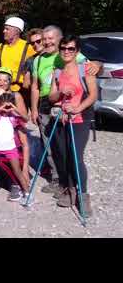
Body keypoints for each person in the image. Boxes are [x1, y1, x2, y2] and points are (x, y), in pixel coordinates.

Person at [31, 25, 100, 195]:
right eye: (43, 39)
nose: (46, 42)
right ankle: (63, 184)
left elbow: (92, 69)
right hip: (49, 106)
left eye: (50, 39)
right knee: (54, 149)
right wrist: (34, 108)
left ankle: (76, 191)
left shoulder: (76, 58)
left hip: (73, 112)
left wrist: (99, 64)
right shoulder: (40, 60)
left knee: (72, 153)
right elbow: (35, 86)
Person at [48, 35, 97, 216]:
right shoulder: (58, 71)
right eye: (63, 48)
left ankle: (83, 196)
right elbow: (52, 97)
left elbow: (93, 95)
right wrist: (60, 92)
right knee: (64, 156)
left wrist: (77, 108)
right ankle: (70, 190)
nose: (66, 52)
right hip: (61, 118)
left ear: (77, 51)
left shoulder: (86, 69)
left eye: (71, 49)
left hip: (80, 119)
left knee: (76, 156)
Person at [0, 92, 30, 201]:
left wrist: (14, 109)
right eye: (4, 106)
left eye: (8, 106)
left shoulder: (13, 118)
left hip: (11, 151)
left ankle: (25, 192)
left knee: (16, 170)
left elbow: (26, 119)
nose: (6, 109)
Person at [0, 17, 36, 109]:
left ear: (17, 31)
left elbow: (35, 66)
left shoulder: (28, 47)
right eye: (4, 28)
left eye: (7, 29)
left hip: (21, 92)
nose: (4, 31)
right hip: (1, 92)